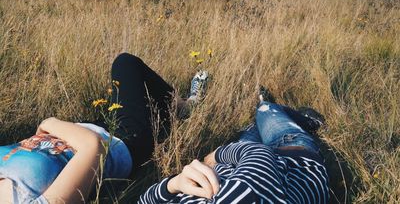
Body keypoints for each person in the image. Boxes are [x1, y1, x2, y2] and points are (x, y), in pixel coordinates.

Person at [0, 53, 209, 203]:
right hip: (121, 140)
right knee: (125, 63)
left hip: (86, 127)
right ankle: (185, 107)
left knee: (150, 109)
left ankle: (169, 112)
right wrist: (49, 122)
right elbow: (93, 146)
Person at [139, 93, 330, 203]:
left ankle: (257, 122)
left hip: (241, 168)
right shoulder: (241, 197)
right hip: (294, 157)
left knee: (250, 130)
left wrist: (174, 184)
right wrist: (215, 155)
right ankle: (307, 121)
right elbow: (259, 153)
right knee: (265, 109)